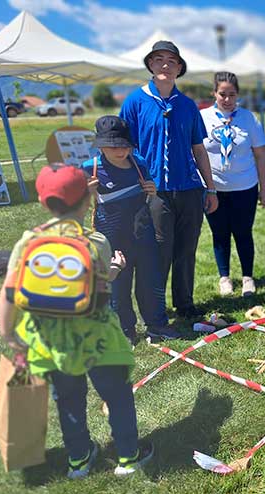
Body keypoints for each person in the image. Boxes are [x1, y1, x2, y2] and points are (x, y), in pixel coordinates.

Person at [0, 165, 153, 478]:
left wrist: (9, 333)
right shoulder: (96, 241)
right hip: (98, 338)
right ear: (87, 200)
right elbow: (100, 285)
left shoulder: (28, 242)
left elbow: (9, 292)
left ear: (44, 203)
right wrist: (117, 268)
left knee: (68, 400)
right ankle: (128, 457)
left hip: (51, 340)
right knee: (117, 396)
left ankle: (79, 460)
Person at [120, 40, 218, 319]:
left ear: (179, 68)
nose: (165, 65)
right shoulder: (135, 102)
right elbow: (125, 148)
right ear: (150, 65)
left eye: (171, 61)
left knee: (186, 250)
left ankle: (185, 304)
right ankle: (156, 309)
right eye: (159, 59)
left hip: (189, 188)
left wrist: (210, 188)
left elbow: (198, 149)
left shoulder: (187, 106)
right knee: (158, 250)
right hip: (154, 192)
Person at [82, 116, 179, 346]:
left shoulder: (138, 163)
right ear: (100, 145)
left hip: (142, 232)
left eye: (125, 145)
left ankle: (157, 323)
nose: (121, 151)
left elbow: (151, 196)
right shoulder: (90, 169)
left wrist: (152, 190)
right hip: (111, 238)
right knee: (118, 286)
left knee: (150, 280)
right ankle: (124, 330)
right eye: (114, 146)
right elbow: (77, 207)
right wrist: (85, 192)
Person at [200, 72, 265, 297]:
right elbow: (195, 152)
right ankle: (225, 277)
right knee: (219, 234)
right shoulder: (202, 118)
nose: (227, 99)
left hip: (244, 188)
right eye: (222, 94)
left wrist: (264, 189)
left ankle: (248, 277)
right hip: (213, 189)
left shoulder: (249, 119)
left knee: (243, 233)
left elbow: (260, 155)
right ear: (214, 93)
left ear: (238, 94)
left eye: (232, 95)